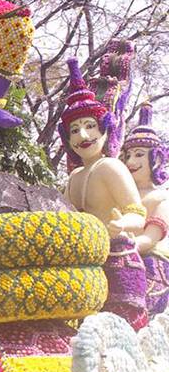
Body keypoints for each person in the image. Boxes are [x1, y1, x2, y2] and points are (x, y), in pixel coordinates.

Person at [60, 58, 148, 329]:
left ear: (104, 128)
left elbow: (138, 214)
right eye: (74, 130)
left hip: (118, 259)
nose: (82, 135)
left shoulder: (110, 166)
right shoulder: (73, 178)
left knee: (120, 335)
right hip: (86, 264)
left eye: (89, 126)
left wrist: (121, 224)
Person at [122, 103, 169, 315]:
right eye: (128, 155)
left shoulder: (160, 197)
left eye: (139, 154)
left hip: (150, 266)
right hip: (119, 259)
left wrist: (122, 245)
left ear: (156, 158)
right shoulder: (120, 194)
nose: (131, 161)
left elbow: (151, 238)